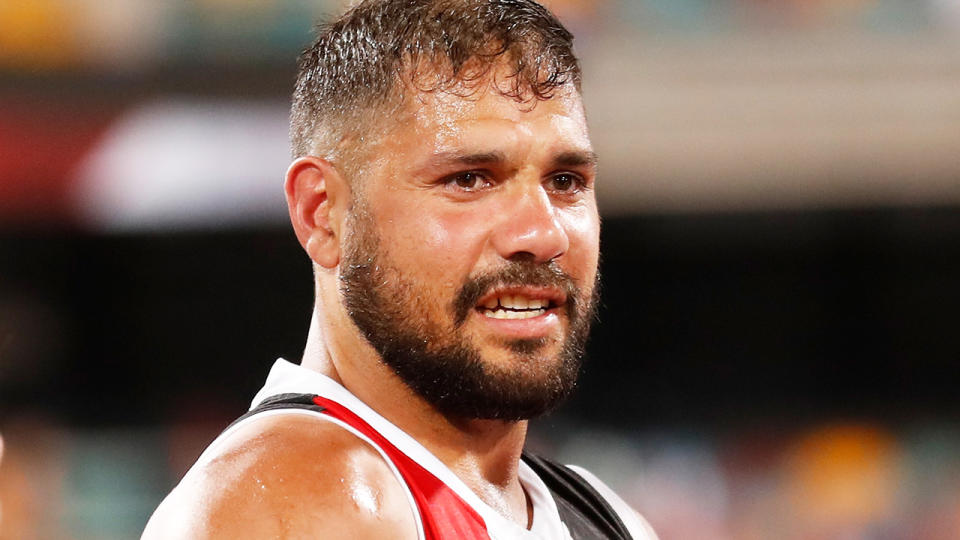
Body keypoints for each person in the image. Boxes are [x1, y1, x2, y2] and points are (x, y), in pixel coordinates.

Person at [142, 0, 656, 538]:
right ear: (323, 214)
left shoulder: (609, 518)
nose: (542, 234)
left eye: (565, 181)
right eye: (470, 179)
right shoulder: (303, 498)